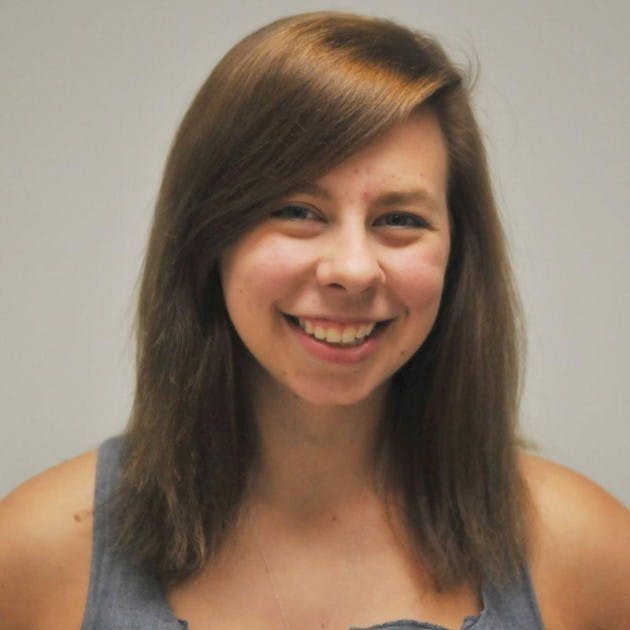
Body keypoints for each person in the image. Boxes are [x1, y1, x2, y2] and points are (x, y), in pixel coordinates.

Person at [0, 11, 628, 630]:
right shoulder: (31, 555)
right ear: (207, 238)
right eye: (298, 210)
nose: (352, 270)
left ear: (458, 255)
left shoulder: (591, 555)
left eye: (400, 219)